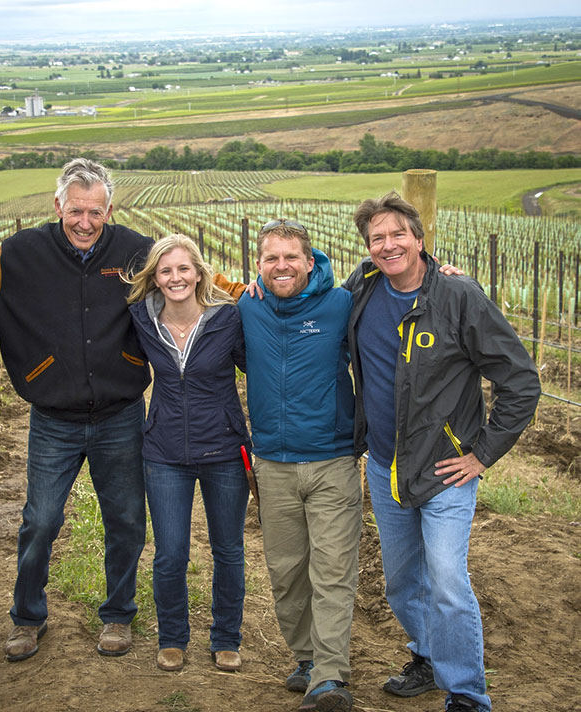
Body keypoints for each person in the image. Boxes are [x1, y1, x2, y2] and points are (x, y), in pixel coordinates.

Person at [346, 192, 541, 712]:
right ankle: (430, 655)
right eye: (376, 239)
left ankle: (467, 694)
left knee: (449, 582)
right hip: (385, 466)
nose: (388, 246)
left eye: (397, 235)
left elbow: (520, 381)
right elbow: (312, 293)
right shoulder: (363, 287)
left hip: (445, 471)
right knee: (402, 582)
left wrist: (482, 454)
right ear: (367, 249)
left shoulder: (458, 296)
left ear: (419, 239)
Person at [0, 157, 154, 661]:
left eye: (96, 212)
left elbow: (191, 280)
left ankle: (119, 615)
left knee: (125, 518)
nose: (85, 222)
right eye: (75, 210)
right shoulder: (16, 255)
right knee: (41, 519)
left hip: (119, 412)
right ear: (57, 204)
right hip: (53, 417)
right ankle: (26, 617)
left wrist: (255, 291)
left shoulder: (136, 252)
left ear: (109, 209)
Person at [230, 219, 361, 712]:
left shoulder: (342, 305)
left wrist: (444, 272)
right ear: (258, 265)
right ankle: (306, 659)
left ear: (311, 260)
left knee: (332, 571)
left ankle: (330, 677)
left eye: (291, 257)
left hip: (331, 461)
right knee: (287, 573)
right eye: (271, 258)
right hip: (272, 463)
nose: (281, 266)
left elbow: (396, 288)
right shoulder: (247, 305)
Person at [127, 235, 251, 673]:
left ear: (199, 272)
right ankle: (173, 637)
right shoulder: (140, 320)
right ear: (155, 279)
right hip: (163, 452)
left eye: (184, 269)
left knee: (229, 549)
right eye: (166, 271)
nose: (175, 277)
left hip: (224, 450)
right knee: (170, 552)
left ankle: (225, 638)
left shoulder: (228, 319)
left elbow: (258, 360)